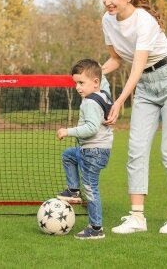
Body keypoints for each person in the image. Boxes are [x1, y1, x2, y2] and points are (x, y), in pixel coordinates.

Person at [101, 0, 167, 235]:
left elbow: (136, 67)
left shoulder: (144, 21)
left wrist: (119, 101)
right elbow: (117, 59)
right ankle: (137, 217)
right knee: (136, 150)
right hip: (145, 85)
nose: (108, 2)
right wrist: (93, 73)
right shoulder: (107, 21)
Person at [56, 59, 113, 240]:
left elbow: (91, 128)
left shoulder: (89, 102)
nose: (78, 88)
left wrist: (68, 131)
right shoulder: (103, 94)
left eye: (81, 83)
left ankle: (96, 228)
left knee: (90, 189)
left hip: (93, 152)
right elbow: (104, 81)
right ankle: (73, 190)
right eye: (76, 83)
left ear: (95, 82)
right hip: (96, 150)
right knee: (68, 155)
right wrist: (96, 68)